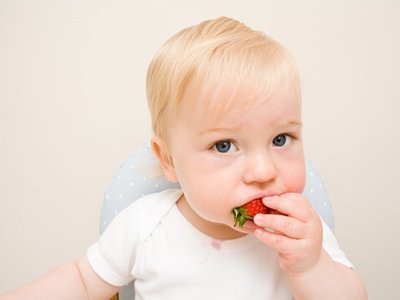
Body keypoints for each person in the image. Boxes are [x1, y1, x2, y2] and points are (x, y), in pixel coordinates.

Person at [0, 16, 367, 299]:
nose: (263, 170)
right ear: (169, 160)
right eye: (224, 145)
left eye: (281, 138)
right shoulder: (145, 227)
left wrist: (311, 266)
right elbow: (81, 281)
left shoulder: (301, 233)